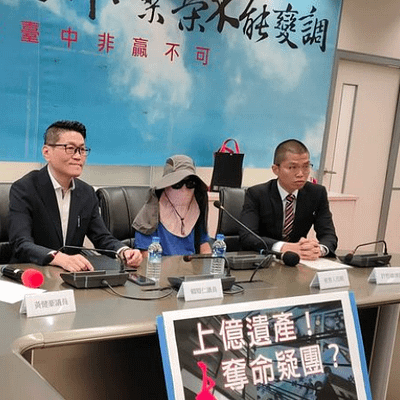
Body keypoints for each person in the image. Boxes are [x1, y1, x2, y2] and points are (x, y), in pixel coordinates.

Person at [8, 120, 143, 272]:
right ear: (46, 152)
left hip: (71, 275)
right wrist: (59, 258)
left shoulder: (86, 192)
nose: (78, 156)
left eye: (82, 150)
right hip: (32, 272)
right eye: (70, 149)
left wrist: (124, 251)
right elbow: (20, 243)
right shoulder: (25, 188)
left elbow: (102, 237)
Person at [239, 139, 337, 260]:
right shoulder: (257, 194)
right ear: (276, 169)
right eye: (292, 167)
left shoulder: (317, 193)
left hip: (298, 261)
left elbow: (329, 235)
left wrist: (318, 249)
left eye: (306, 166)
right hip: (264, 259)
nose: (300, 174)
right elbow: (248, 237)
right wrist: (284, 247)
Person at [133, 155, 211, 256]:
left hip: (191, 265)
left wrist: (210, 264)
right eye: (178, 184)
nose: (184, 189)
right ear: (166, 186)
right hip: (161, 265)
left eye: (190, 183)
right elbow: (145, 255)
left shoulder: (197, 208)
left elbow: (203, 245)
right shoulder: (151, 213)